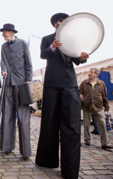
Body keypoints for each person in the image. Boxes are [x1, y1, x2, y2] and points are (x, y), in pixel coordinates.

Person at [35, 13, 89, 179]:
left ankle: (70, 169)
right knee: (49, 123)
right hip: (51, 84)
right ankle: (47, 160)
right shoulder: (46, 39)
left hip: (69, 85)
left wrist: (82, 57)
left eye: (62, 20)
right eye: (57, 21)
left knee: (71, 126)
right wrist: (52, 46)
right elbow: (43, 54)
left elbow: (78, 60)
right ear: (54, 25)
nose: (59, 22)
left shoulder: (72, 40)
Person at [0, 23, 33, 160]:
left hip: (21, 84)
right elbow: (3, 61)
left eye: (4, 32)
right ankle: (6, 147)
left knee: (23, 117)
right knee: (7, 114)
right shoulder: (3, 46)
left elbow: (28, 62)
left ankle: (25, 152)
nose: (2, 34)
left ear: (11, 32)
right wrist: (3, 70)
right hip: (8, 84)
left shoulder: (22, 43)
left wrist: (29, 79)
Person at [79, 68, 113, 150]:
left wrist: (107, 109)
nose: (89, 73)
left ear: (96, 74)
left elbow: (104, 96)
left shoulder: (101, 84)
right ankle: (87, 140)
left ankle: (105, 143)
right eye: (89, 72)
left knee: (102, 124)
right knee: (86, 124)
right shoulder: (84, 83)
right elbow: (79, 93)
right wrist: (81, 98)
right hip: (86, 106)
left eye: (92, 72)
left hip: (98, 106)